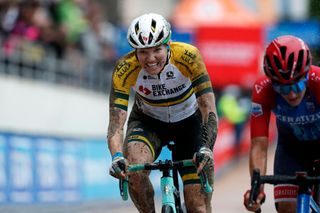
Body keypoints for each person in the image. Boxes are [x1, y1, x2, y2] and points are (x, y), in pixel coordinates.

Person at [107, 13, 218, 213]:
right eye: (143, 52)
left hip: (189, 124)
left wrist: (206, 147)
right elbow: (116, 123)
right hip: (148, 122)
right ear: (135, 52)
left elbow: (208, 107)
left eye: (157, 49)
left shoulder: (188, 56)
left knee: (198, 208)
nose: (150, 59)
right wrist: (116, 157)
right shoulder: (125, 68)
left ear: (168, 44)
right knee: (134, 170)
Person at [243, 35, 320, 213]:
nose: (291, 94)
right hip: (292, 150)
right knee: (287, 207)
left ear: (307, 75)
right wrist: (257, 189)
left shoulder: (318, 81)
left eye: (297, 86)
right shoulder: (262, 90)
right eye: (283, 88)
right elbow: (259, 146)